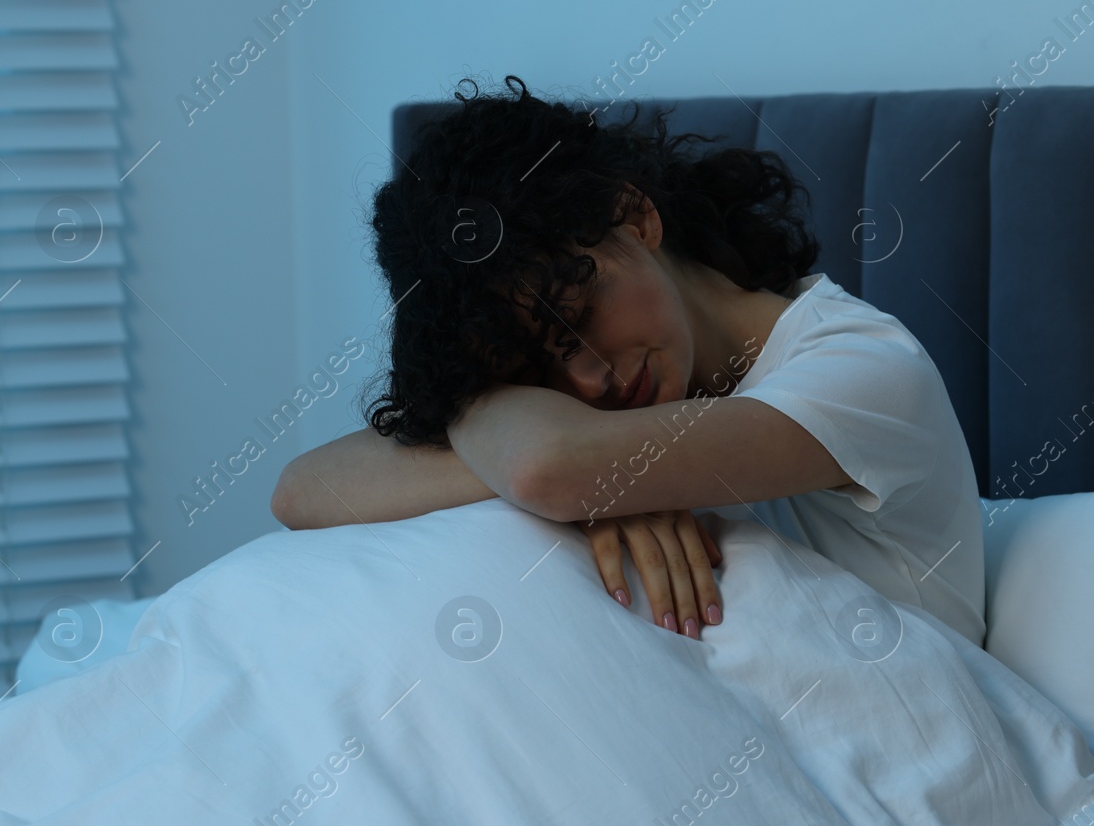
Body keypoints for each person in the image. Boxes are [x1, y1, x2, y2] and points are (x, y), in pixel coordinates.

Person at [270, 75, 985, 647]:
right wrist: (567, 459)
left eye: (577, 318)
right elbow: (302, 491)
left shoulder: (864, 366)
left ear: (634, 215)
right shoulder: (596, 437)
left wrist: (585, 472)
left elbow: (542, 467)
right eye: (535, 373)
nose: (586, 379)